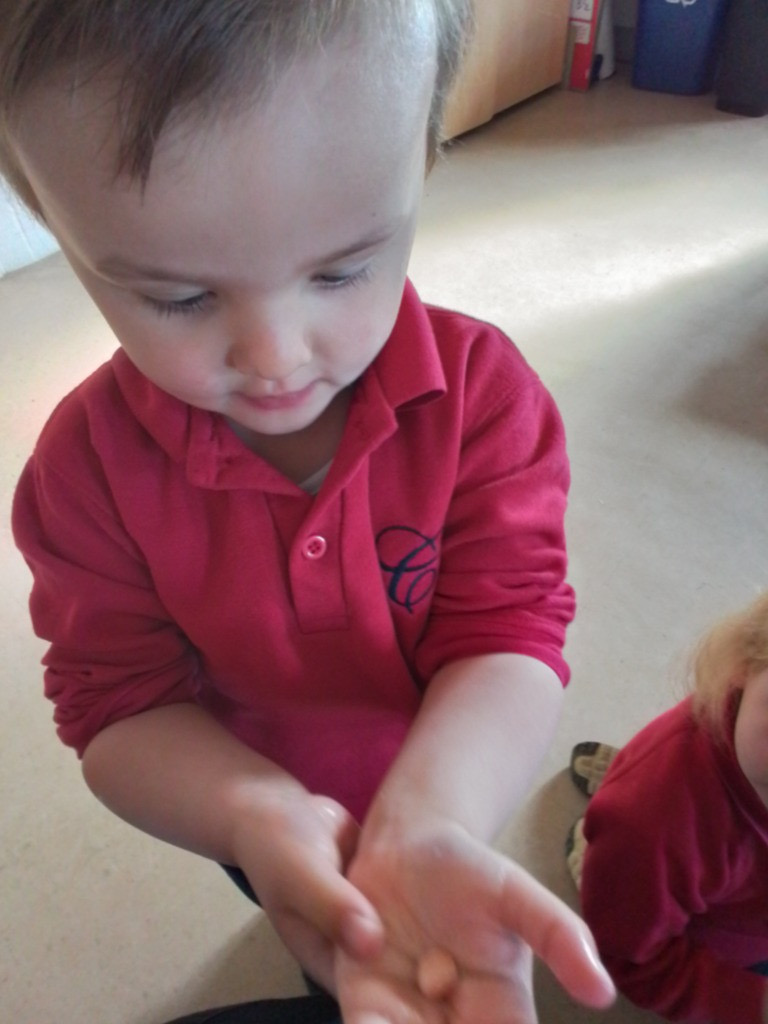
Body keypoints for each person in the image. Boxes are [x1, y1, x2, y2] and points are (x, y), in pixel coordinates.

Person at [3, 3, 616, 1022]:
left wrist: (432, 813)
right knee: (324, 937)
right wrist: (255, 815)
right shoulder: (86, 474)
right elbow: (116, 705)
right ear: (59, 232)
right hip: (248, 800)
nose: (277, 358)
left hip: (456, 781)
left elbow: (510, 631)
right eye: (179, 298)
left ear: (423, 158)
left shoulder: (483, 402)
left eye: (340, 270)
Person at [566, 591, 768, 1024]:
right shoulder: (653, 825)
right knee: (631, 872)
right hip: (712, 937)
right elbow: (633, 958)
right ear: (745, 665)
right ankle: (598, 850)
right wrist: (749, 1002)